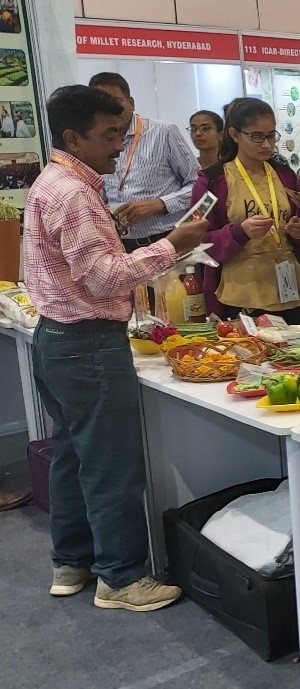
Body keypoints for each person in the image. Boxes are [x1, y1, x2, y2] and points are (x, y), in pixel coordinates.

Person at [23, 85, 208, 610]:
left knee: (71, 457)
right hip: (89, 345)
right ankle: (122, 578)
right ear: (73, 137)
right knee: (111, 466)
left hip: (56, 338)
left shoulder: (51, 181)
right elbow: (103, 278)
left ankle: (72, 562)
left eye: (122, 135)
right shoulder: (75, 194)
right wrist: (173, 244)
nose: (118, 147)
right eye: (108, 136)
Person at [190, 98, 300, 328]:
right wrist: (239, 232)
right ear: (235, 135)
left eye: (271, 136)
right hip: (240, 296)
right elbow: (199, 243)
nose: (267, 145)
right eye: (257, 136)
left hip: (293, 292)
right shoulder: (212, 181)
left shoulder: (285, 175)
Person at [88, 73, 200, 252]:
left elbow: (198, 184)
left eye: (116, 101)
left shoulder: (163, 132)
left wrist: (161, 204)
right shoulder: (96, 142)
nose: (110, 110)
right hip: (122, 245)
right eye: (101, 106)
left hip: (167, 237)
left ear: (131, 102)